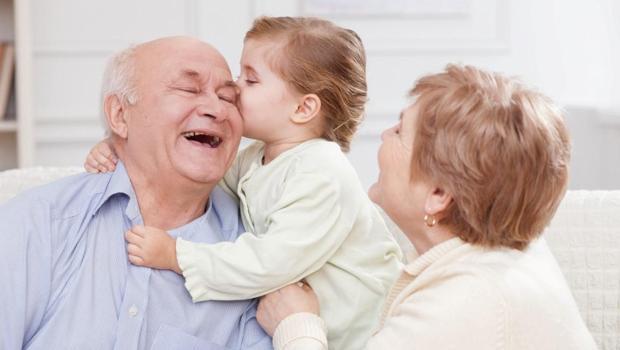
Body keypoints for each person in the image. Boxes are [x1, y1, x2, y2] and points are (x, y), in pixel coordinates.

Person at [85, 16, 403, 350]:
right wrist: (121, 148)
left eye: (250, 79)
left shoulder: (323, 172)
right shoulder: (256, 158)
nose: (235, 89)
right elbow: (190, 172)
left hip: (372, 335)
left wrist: (176, 255)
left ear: (303, 107)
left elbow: (269, 263)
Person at [255, 65, 598, 349]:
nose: (385, 134)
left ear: (438, 194)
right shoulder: (512, 254)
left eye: (401, 131)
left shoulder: (464, 302)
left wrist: (296, 324)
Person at [0, 36, 272, 350]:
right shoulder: (35, 225)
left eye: (228, 97)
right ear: (119, 115)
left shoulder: (258, 255)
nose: (216, 109)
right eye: (188, 89)